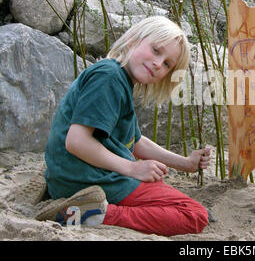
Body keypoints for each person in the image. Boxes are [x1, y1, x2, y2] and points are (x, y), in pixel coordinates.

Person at [36, 16, 211, 236]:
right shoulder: (108, 77)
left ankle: (74, 199)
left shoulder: (119, 79)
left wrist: (186, 163)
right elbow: (76, 141)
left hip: (79, 175)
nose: (158, 63)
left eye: (167, 64)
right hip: (88, 178)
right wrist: (133, 168)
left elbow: (135, 141)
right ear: (131, 39)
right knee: (193, 214)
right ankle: (91, 214)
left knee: (164, 199)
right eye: (156, 50)